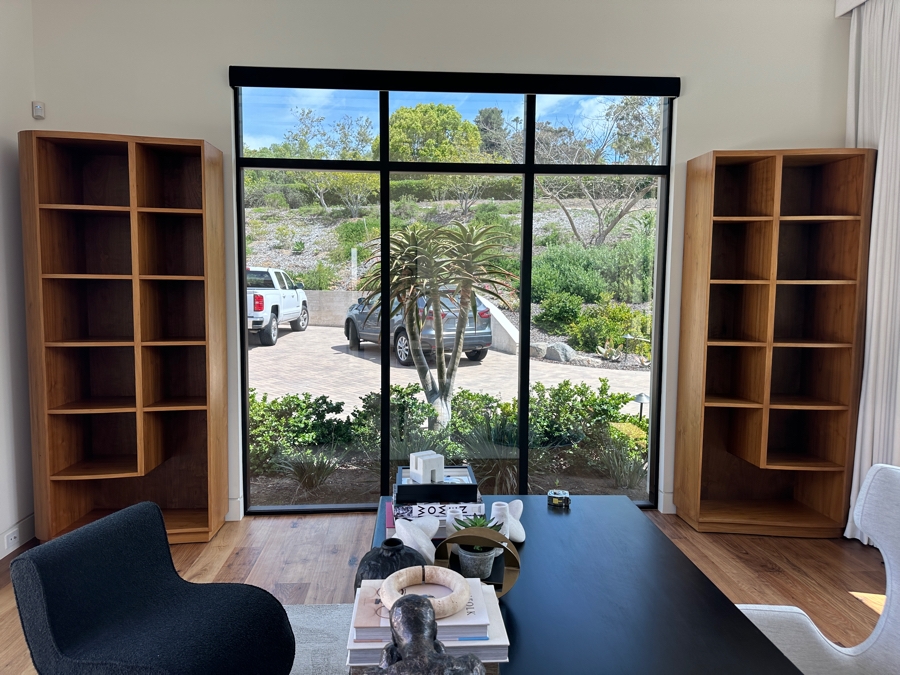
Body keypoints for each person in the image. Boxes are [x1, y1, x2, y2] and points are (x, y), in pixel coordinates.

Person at [366, 595, 486, 675]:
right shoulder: (472, 666)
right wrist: (443, 657)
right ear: (435, 631)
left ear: (393, 638)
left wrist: (384, 668)